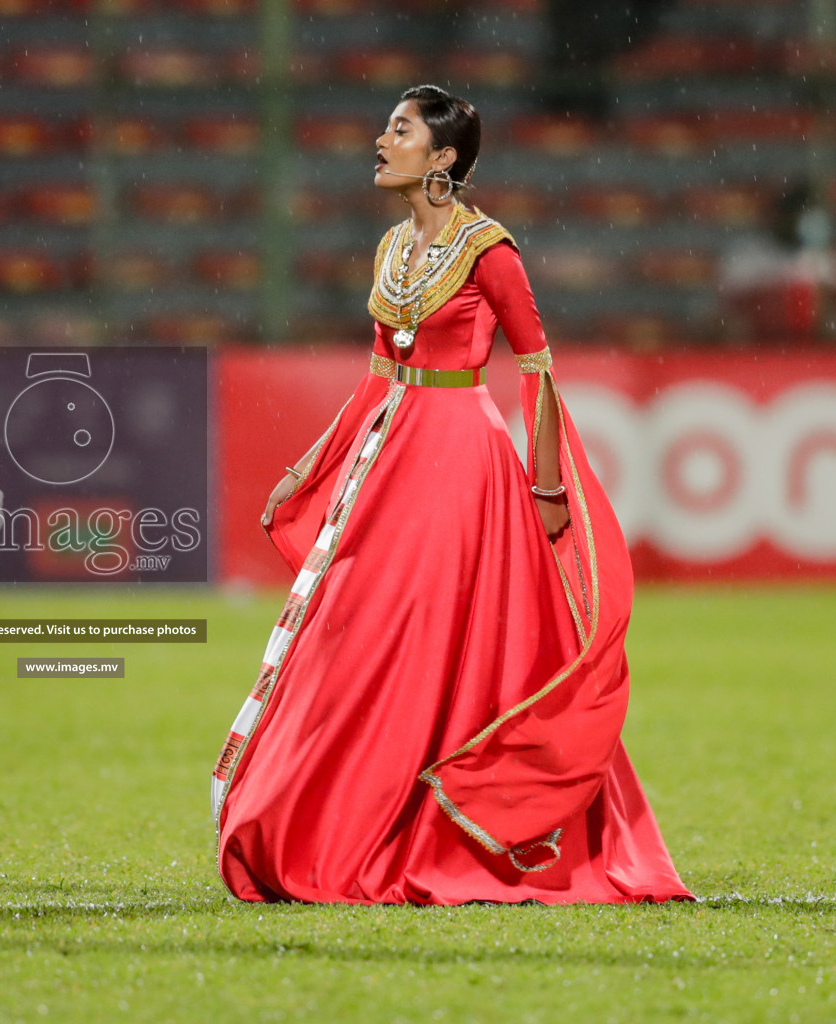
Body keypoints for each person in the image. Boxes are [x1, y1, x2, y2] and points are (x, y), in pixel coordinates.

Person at [211, 85, 691, 904]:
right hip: (391, 461)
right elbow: (377, 377)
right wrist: (313, 465)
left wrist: (546, 487)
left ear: (444, 159)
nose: (380, 139)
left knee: (442, 646)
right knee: (358, 642)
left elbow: (536, 367)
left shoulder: (489, 250)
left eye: (400, 130)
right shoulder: (392, 247)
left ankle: (450, 824)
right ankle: (336, 828)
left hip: (463, 464)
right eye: (385, 127)